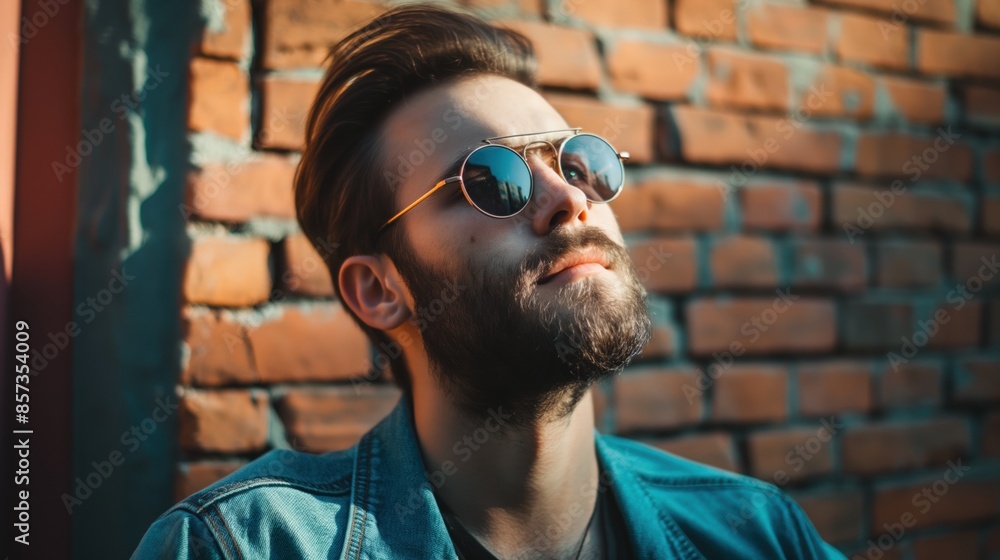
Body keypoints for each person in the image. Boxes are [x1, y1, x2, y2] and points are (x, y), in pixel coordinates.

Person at [132, 5, 845, 559]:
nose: (569, 199)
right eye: (489, 179)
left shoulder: (756, 532)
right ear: (380, 290)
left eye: (578, 162)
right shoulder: (241, 545)